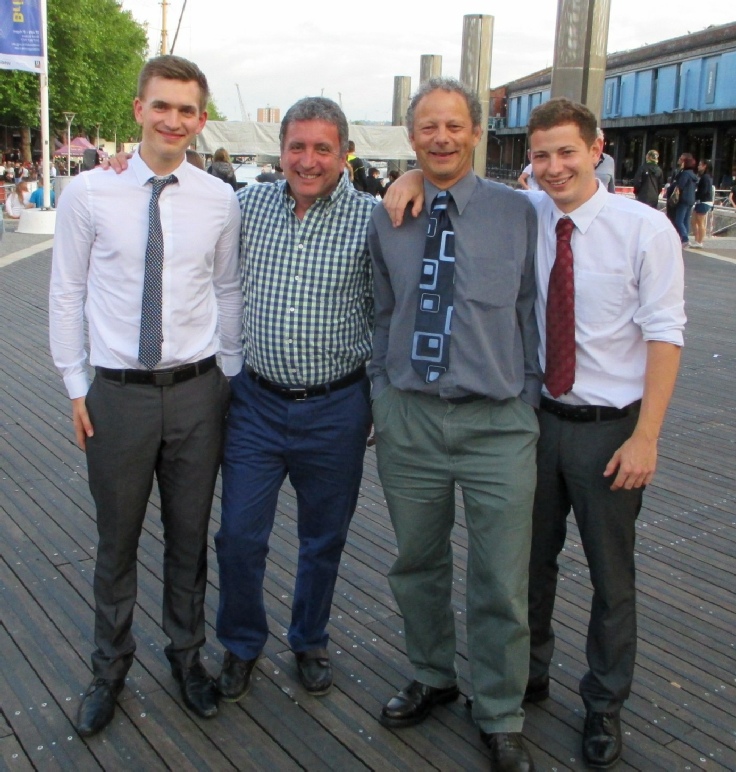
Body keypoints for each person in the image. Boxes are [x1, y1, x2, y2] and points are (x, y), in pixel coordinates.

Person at [49, 54, 242, 737]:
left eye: (187, 109)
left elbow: (225, 290)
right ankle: (110, 666)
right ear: (138, 110)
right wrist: (76, 385)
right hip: (118, 395)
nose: (173, 119)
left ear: (200, 119)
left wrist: (231, 373)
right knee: (116, 540)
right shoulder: (88, 194)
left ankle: (187, 657)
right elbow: (66, 291)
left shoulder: (219, 198)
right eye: (161, 105)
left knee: (190, 539)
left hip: (197, 392)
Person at [370, 78, 541, 772]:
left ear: (476, 133)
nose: (440, 137)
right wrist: (382, 391)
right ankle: (433, 674)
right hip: (410, 418)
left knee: (500, 579)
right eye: (426, 128)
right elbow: (381, 308)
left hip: (498, 423)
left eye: (453, 125)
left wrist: (525, 398)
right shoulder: (389, 213)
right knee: (416, 562)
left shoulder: (519, 212)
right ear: (411, 138)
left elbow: (533, 307)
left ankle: (500, 711)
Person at [520, 98, 685, 769]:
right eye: (539, 155)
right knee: (524, 565)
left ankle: (603, 703)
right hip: (533, 424)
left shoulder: (643, 230)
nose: (552, 167)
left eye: (565, 151)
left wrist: (645, 437)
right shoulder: (525, 213)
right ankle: (527, 674)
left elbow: (664, 335)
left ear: (596, 148)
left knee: (610, 577)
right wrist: (411, 179)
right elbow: (455, 191)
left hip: (608, 431)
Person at [214, 97, 376, 704]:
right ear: (280, 150)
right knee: (238, 537)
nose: (308, 161)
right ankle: (240, 643)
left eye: (323, 148)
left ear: (344, 153)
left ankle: (309, 637)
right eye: (297, 147)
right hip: (255, 403)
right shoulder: (243, 205)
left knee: (323, 537)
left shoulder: (374, 218)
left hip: (336, 406)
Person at [669, 153, 698, 246]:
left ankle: (684, 238)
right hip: (691, 199)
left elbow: (680, 186)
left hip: (683, 199)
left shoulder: (684, 174)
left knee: (679, 220)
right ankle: (685, 237)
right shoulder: (693, 174)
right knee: (685, 220)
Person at [690, 159, 714, 248]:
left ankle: (700, 241)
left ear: (705, 166)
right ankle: (697, 239)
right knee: (693, 221)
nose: (698, 166)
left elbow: (704, 191)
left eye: (700, 165)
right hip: (701, 201)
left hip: (704, 201)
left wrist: (695, 196)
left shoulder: (705, 177)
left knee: (700, 222)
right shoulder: (705, 177)